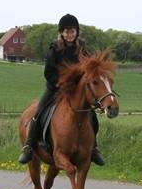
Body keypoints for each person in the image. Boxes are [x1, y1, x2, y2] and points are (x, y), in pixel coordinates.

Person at [17, 13, 105, 166]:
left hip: (76, 91)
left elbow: (90, 67)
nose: (69, 34)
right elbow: (48, 72)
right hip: (55, 88)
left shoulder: (82, 48)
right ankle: (29, 147)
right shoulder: (54, 48)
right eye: (66, 31)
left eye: (72, 31)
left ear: (76, 32)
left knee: (91, 116)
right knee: (38, 112)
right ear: (61, 33)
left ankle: (94, 148)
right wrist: (60, 84)